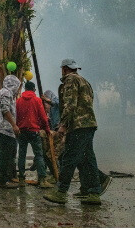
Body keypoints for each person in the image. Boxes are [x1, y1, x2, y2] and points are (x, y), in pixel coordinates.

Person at [44, 59, 101, 205]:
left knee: (69, 158)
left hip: (77, 126)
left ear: (64, 69)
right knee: (87, 159)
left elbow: (70, 104)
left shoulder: (70, 80)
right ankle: (92, 191)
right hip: (88, 124)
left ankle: (61, 192)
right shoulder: (84, 81)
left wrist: (63, 125)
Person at [16, 81, 52, 187]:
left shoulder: (18, 101)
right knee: (39, 155)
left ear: (25, 89)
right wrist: (47, 130)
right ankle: (42, 180)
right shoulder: (37, 100)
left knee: (21, 155)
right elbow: (43, 117)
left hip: (21, 131)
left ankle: (21, 179)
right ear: (34, 89)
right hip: (34, 131)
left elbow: (16, 116)